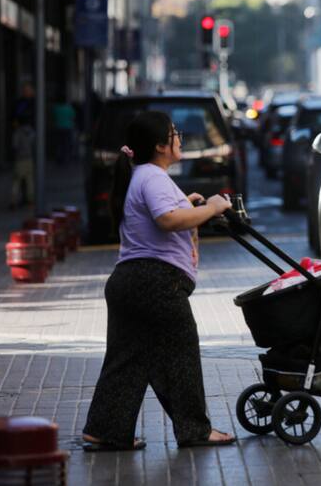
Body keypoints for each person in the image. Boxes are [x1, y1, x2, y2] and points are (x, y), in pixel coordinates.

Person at [83, 111, 235, 451]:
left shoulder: (144, 175)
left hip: (129, 282)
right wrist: (212, 207)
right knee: (181, 355)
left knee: (127, 359)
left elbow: (167, 212)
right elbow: (168, 219)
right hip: (156, 283)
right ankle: (195, 430)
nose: (179, 138)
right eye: (173, 133)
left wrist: (188, 203)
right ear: (159, 146)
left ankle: (105, 430)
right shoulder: (152, 176)